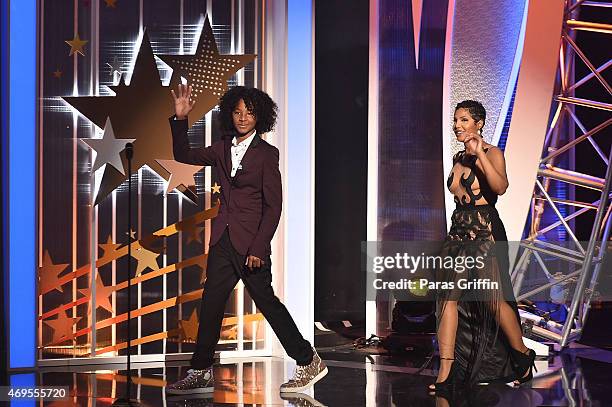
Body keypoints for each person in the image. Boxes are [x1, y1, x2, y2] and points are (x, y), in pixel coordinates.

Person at [165, 84, 327, 395]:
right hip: (223, 241)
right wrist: (180, 118)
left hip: (251, 245)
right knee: (211, 303)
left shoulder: (267, 155)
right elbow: (182, 154)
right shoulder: (221, 148)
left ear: (260, 117)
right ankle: (200, 371)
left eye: (249, 113)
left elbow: (273, 205)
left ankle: (308, 360)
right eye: (238, 112)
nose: (243, 117)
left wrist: (259, 248)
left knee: (267, 304)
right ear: (230, 114)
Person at [429, 100, 536, 393]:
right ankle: (447, 371)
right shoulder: (456, 158)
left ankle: (522, 355)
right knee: (447, 300)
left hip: (485, 232)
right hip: (458, 231)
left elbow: (500, 188)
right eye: (455, 120)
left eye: (464, 120)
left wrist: (480, 156)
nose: (457, 126)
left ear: (479, 123)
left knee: (492, 300)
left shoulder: (493, 153)